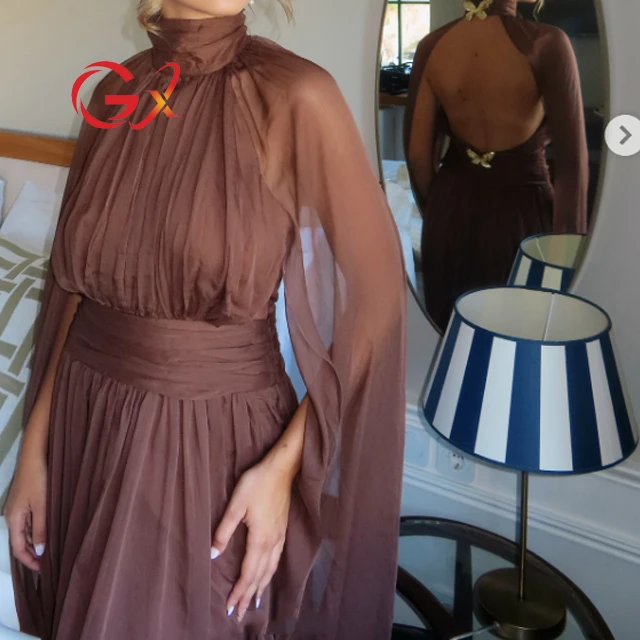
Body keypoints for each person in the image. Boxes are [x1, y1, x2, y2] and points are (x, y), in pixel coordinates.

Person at [4, 1, 407, 638]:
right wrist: (35, 450)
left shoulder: (296, 95)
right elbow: (74, 296)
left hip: (210, 442)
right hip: (86, 423)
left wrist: (281, 469)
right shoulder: (116, 91)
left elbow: (377, 303)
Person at [404, 0, 589, 332]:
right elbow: (573, 164)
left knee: (454, 336)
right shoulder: (546, 43)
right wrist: (570, 256)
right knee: (520, 335)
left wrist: (441, 210)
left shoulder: (433, 46)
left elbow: (417, 154)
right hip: (521, 212)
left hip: (450, 212)